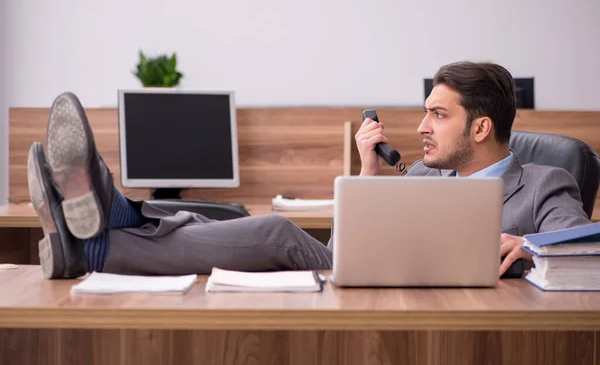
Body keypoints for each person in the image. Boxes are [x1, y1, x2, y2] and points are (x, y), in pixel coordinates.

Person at [28, 92, 332, 279]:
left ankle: (89, 237)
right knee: (186, 223)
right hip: (340, 257)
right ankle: (89, 234)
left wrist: (365, 176)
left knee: (276, 230)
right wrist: (365, 176)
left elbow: (342, 261)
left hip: (333, 265)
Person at [338, 61, 592, 275]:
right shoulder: (421, 175)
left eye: (438, 115)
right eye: (426, 113)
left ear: (480, 128)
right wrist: (366, 177)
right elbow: (343, 257)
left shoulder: (545, 184)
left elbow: (586, 255)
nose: (422, 128)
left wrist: (531, 246)